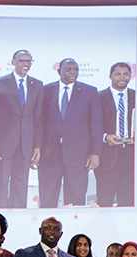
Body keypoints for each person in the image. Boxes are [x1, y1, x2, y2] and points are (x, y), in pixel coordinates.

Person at [0, 49, 43, 208]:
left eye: (29, 61)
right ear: (13, 62)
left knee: (20, 187)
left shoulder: (37, 85)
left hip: (25, 145)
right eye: (21, 60)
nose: (25, 64)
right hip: (2, 146)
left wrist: (36, 146)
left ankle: (18, 221)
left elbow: (37, 119)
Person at [39, 58, 101, 207]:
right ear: (59, 71)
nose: (73, 73)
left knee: (76, 200)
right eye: (68, 69)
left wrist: (95, 153)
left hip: (78, 155)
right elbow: (38, 122)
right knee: (47, 199)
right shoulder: (45, 91)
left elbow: (96, 124)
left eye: (75, 69)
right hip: (49, 154)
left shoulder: (89, 92)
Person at [96, 62, 135, 207]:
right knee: (105, 202)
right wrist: (105, 137)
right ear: (110, 76)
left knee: (128, 203)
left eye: (126, 74)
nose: (122, 77)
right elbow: (91, 125)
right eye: (118, 74)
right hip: (107, 158)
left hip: (131, 159)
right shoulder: (98, 97)